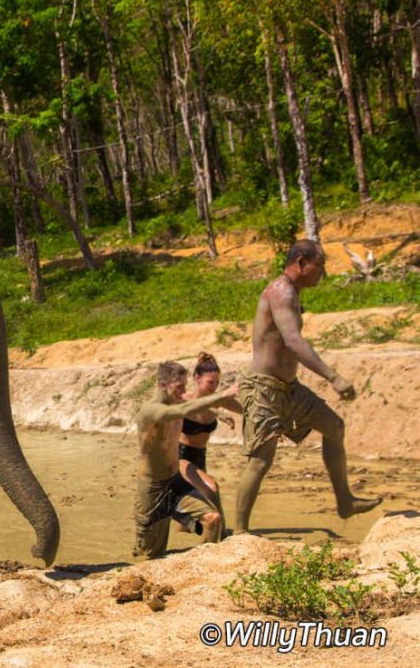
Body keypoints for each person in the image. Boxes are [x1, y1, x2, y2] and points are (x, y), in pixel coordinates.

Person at [234, 239, 382, 533]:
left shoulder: (293, 292)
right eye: (321, 264)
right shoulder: (281, 292)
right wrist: (333, 377)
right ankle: (239, 533)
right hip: (263, 389)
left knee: (334, 427)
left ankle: (345, 502)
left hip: (289, 388)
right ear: (301, 262)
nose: (323, 272)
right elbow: (293, 341)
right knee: (260, 461)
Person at [133, 361, 239, 559]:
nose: (183, 391)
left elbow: (193, 403)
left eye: (184, 385)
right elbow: (181, 411)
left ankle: (200, 564)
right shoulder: (151, 410)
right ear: (163, 385)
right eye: (179, 386)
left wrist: (221, 413)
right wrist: (223, 395)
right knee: (151, 555)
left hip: (176, 480)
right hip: (152, 488)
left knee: (213, 519)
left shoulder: (180, 400)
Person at [175, 352, 243, 531]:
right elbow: (191, 406)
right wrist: (217, 412)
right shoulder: (183, 400)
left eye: (217, 383)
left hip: (200, 458)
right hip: (180, 456)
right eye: (210, 382)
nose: (214, 387)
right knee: (211, 487)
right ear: (197, 378)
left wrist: (273, 424)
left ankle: (188, 525)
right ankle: (222, 535)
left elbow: (247, 411)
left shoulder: (219, 400)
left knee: (192, 519)